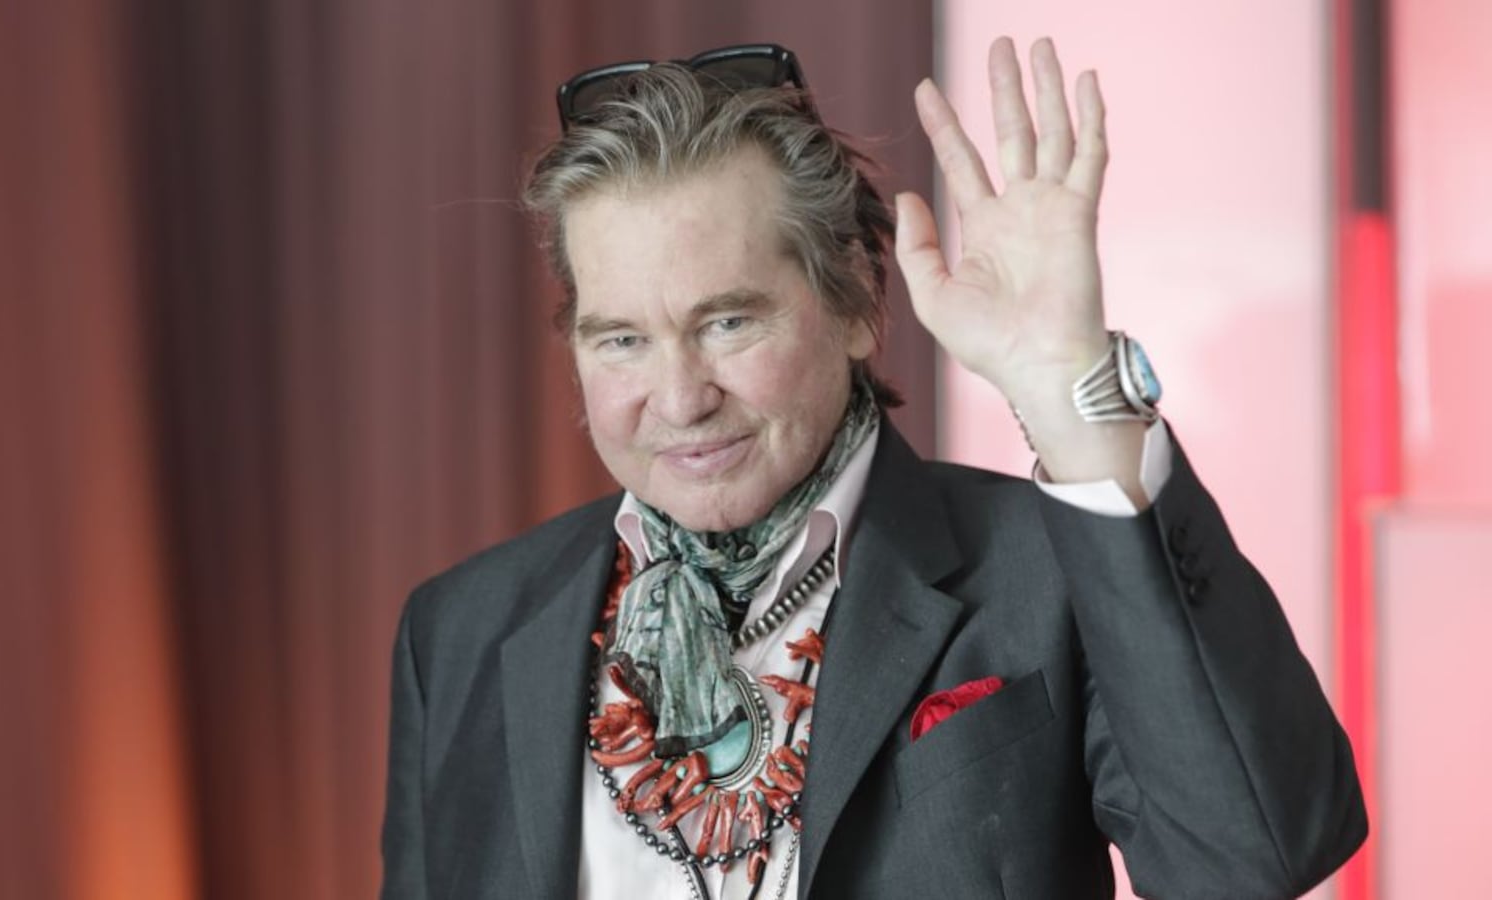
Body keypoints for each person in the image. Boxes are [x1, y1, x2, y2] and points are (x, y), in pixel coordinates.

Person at [380, 37, 1366, 899]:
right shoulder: (462, 630)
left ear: (854, 303)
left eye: (726, 322)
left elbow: (1252, 857)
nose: (679, 399)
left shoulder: (1045, 570)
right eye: (621, 340)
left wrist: (1070, 389)